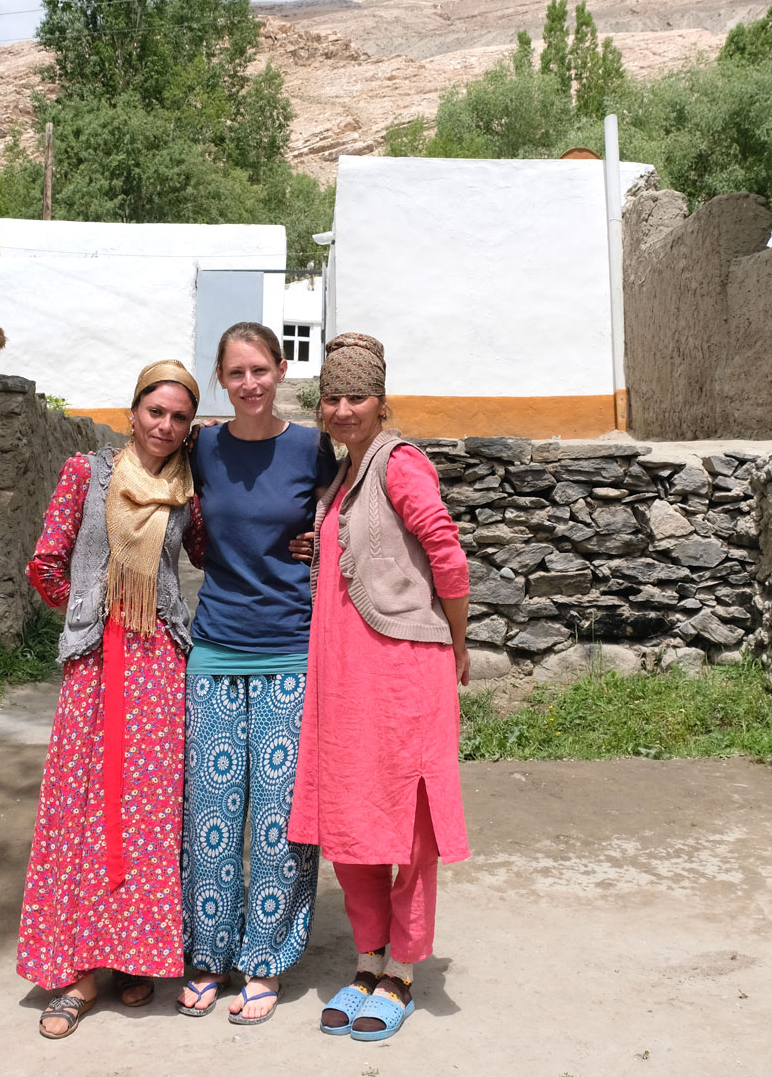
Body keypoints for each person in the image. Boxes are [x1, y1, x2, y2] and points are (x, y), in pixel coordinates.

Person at [289, 332, 471, 1043]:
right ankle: (365, 962)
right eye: (331, 397)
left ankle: (400, 970)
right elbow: (366, 551)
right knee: (354, 828)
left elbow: (444, 551)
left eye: (355, 396)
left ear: (381, 401)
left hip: (401, 676)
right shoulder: (344, 476)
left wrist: (457, 638)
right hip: (345, 679)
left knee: (409, 830)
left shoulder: (399, 464)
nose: (341, 409)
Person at [18, 359, 205, 1040]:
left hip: (159, 664)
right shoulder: (85, 473)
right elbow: (46, 560)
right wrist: (89, 612)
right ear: (134, 412)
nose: (165, 425)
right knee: (83, 808)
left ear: (189, 428)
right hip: (98, 664)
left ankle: (133, 957)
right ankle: (76, 973)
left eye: (179, 417)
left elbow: (211, 551)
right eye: (155, 411)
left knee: (148, 814)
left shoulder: (188, 488)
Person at [176, 322, 339, 1025]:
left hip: (290, 652)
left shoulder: (310, 446)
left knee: (278, 820)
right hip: (214, 649)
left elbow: (342, 522)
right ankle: (208, 956)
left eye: (259, 370)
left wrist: (316, 549)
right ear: (221, 379)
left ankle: (264, 961)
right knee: (212, 815)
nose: (248, 383)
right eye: (234, 372)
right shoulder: (202, 446)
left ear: (279, 369)